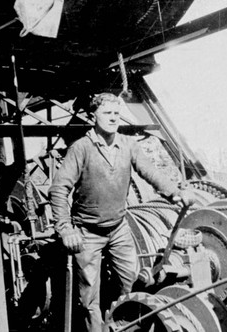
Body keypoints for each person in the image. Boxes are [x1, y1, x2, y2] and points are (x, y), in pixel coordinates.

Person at [48, 92, 195, 331]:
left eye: (117, 113)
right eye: (107, 113)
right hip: (87, 232)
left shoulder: (128, 145)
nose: (113, 118)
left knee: (132, 284)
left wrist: (175, 192)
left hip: (118, 228)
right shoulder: (81, 148)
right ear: (92, 116)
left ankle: (125, 327)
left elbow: (150, 172)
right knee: (88, 300)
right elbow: (58, 189)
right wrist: (66, 229)